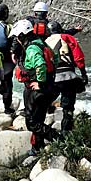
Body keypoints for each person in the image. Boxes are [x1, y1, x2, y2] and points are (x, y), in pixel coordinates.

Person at [10, 19, 59, 154]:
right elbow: (56, 59)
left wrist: (40, 82)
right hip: (48, 87)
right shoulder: (42, 44)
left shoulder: (31, 49)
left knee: (31, 122)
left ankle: (57, 138)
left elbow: (41, 65)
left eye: (17, 37)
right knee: (39, 118)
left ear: (21, 36)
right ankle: (37, 147)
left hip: (37, 89)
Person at [46, 21, 88, 132]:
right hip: (69, 76)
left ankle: (46, 124)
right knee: (68, 108)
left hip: (53, 77)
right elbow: (78, 57)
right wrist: (83, 73)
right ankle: (66, 132)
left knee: (47, 99)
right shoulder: (67, 38)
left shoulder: (44, 42)